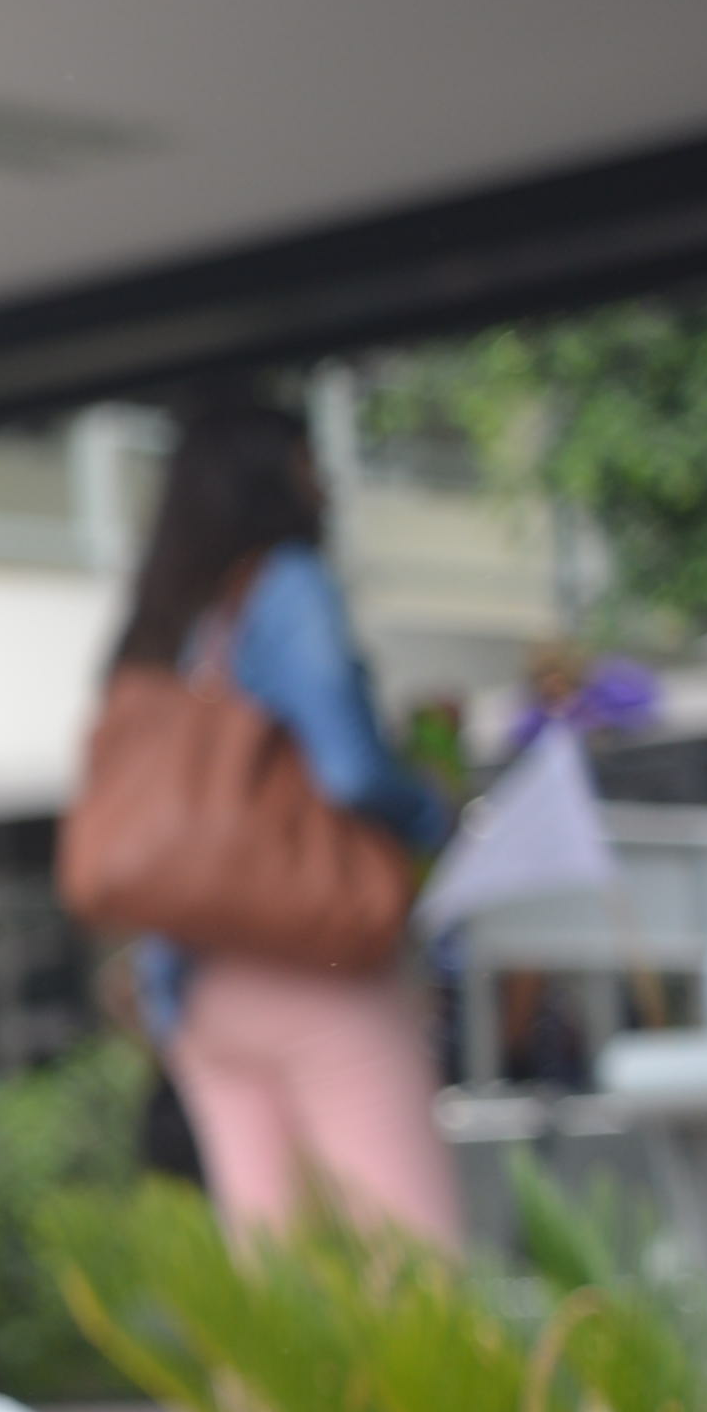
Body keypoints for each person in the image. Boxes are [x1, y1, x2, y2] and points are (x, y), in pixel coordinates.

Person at [108, 393, 458, 1297]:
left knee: (276, 1299)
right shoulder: (290, 587)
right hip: (313, 964)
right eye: (312, 466)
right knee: (415, 1278)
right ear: (275, 480)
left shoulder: (176, 623)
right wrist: (432, 805)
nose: (327, 488)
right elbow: (350, 771)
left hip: (201, 987)